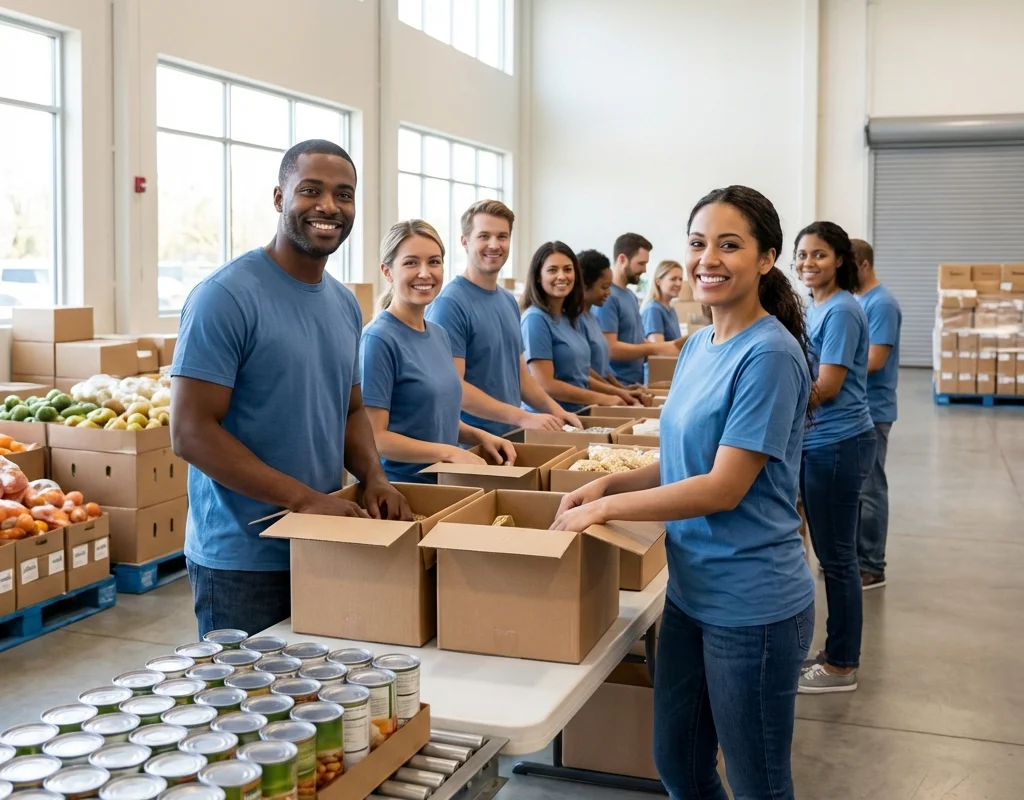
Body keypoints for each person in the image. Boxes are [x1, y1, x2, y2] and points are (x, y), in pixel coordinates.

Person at [551, 186, 814, 800]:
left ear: (766, 258)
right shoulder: (699, 346)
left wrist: (607, 508)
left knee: (758, 785)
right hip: (692, 593)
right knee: (680, 765)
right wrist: (611, 480)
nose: (708, 260)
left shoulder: (769, 354)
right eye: (698, 244)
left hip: (754, 607)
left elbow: (723, 486)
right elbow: (682, 461)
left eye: (730, 245)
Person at [170, 139, 411, 637]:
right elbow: (190, 432)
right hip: (244, 560)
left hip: (325, 542)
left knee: (316, 706)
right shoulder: (225, 297)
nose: (328, 206)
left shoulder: (345, 304)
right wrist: (302, 500)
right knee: (246, 708)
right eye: (310, 190)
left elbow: (350, 410)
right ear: (279, 199)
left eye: (344, 195)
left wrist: (375, 478)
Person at [360, 220, 517, 484]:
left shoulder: (439, 334)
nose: (425, 273)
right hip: (401, 491)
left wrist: (478, 436)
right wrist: (450, 452)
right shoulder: (379, 339)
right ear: (387, 272)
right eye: (411, 263)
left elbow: (433, 420)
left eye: (434, 262)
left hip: (445, 484)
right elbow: (376, 437)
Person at [795, 220, 877, 694]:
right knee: (832, 552)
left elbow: (826, 386)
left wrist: (772, 398)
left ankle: (843, 664)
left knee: (838, 557)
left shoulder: (842, 310)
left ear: (840, 260)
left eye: (819, 255)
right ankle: (834, 653)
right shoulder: (816, 306)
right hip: (818, 443)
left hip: (837, 444)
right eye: (802, 255)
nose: (809, 263)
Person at [425, 201, 581, 436]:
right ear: (465, 242)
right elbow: (454, 388)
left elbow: (522, 379)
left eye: (502, 236)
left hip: (510, 439)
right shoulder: (450, 304)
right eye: (484, 236)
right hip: (472, 445)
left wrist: (557, 412)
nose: (494, 245)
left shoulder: (508, 301)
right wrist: (523, 416)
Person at [519, 242, 633, 412]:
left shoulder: (570, 317)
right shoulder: (535, 319)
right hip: (550, 422)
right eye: (552, 270)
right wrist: (603, 398)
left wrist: (617, 392)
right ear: (538, 276)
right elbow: (545, 384)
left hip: (577, 414)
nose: (562, 276)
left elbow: (581, 374)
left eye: (567, 269)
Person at [852, 238, 901, 590]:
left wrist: (831, 371)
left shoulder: (881, 304)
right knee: (858, 488)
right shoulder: (860, 302)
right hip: (859, 409)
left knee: (870, 488)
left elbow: (874, 361)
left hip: (874, 410)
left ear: (863, 265)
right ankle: (857, 558)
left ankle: (872, 564)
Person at [593, 232, 681, 385]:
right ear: (622, 259)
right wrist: (654, 349)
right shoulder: (607, 298)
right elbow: (611, 349)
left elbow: (636, 339)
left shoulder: (630, 296)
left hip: (635, 383)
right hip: (618, 385)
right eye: (641, 263)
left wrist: (669, 347)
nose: (645, 270)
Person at [578, 249, 651, 406]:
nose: (608, 293)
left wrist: (622, 389)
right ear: (584, 286)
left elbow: (602, 369)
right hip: (589, 401)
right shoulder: (575, 321)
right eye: (604, 287)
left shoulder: (591, 317)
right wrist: (618, 392)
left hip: (602, 397)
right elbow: (582, 372)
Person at [642, 259, 685, 343]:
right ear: (658, 281)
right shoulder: (653, 310)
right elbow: (657, 348)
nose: (679, 283)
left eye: (680, 279)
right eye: (673, 279)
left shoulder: (671, 309)